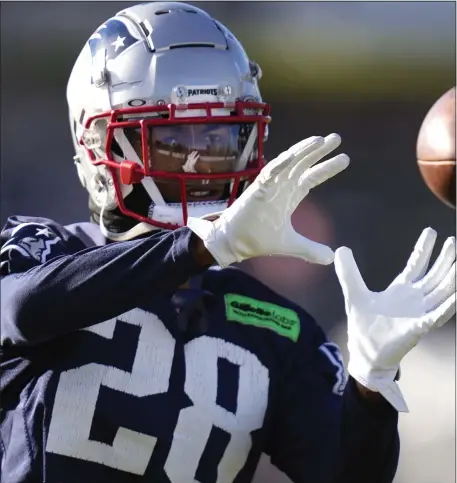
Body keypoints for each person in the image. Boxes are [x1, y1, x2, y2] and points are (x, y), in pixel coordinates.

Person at [1, 3, 455, 483]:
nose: (201, 165)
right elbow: (24, 310)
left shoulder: (274, 325)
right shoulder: (43, 251)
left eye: (220, 138)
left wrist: (372, 384)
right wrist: (197, 246)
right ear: (100, 145)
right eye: (174, 140)